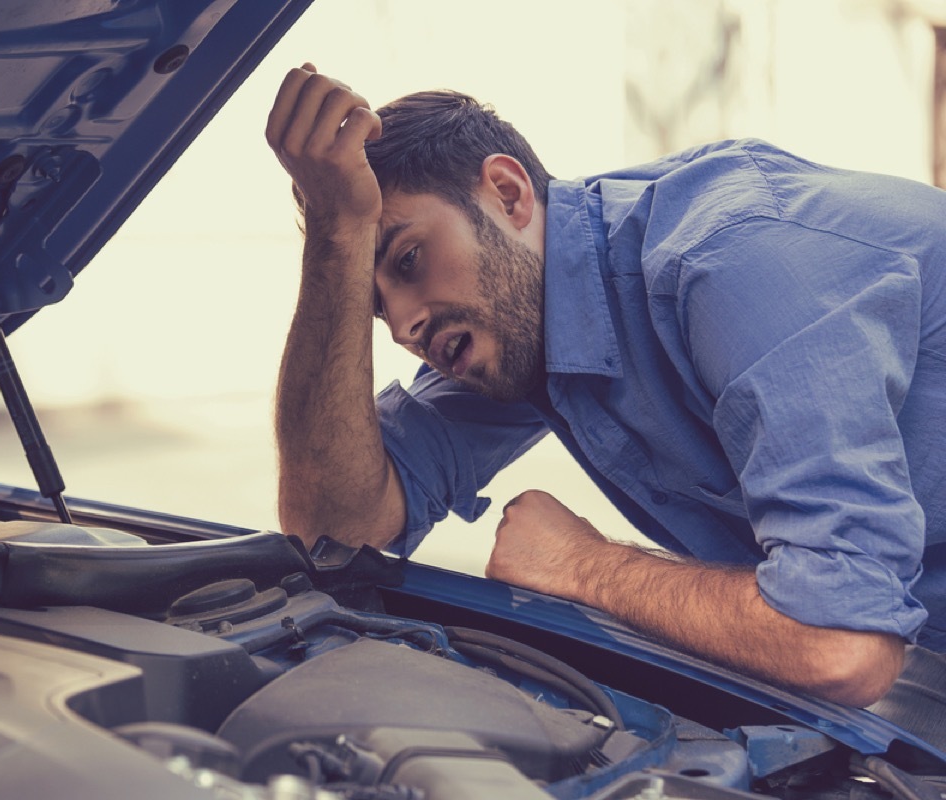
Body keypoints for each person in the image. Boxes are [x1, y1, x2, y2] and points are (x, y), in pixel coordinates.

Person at [264, 64, 946, 710]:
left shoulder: (730, 266)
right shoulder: (526, 320)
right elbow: (332, 530)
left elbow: (844, 645)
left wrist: (584, 568)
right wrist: (337, 235)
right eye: (377, 308)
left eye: (408, 259)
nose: (404, 325)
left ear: (507, 193)